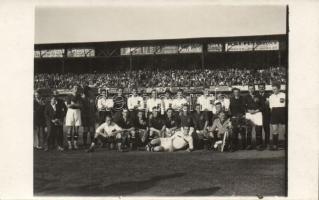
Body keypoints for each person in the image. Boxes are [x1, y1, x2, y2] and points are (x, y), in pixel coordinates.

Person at [245, 85, 263, 150]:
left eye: (252, 88)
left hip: (257, 113)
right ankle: (249, 145)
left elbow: (262, 106)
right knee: (249, 130)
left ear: (254, 89)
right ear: (248, 89)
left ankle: (258, 145)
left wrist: (256, 110)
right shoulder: (246, 97)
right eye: (250, 88)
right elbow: (243, 106)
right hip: (249, 114)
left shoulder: (259, 96)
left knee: (258, 130)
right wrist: (248, 110)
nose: (251, 89)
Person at [269, 82, 286, 150]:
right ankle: (275, 144)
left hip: (282, 112)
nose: (274, 90)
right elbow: (271, 107)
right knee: (275, 129)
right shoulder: (271, 96)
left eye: (275, 89)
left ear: (279, 89)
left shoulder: (284, 95)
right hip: (274, 112)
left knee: (285, 129)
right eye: (273, 89)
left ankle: (286, 144)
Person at [65, 85, 82, 150]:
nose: (76, 89)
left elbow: (80, 105)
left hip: (77, 112)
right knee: (70, 129)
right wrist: (75, 104)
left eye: (77, 88)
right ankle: (69, 144)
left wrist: (73, 104)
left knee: (76, 129)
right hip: (70, 112)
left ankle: (75, 144)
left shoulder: (79, 96)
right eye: (75, 88)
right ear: (72, 89)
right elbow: (68, 106)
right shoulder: (68, 96)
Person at [258, 83, 271, 148]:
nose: (261, 88)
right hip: (258, 115)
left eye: (262, 87)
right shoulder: (256, 96)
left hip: (266, 115)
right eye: (260, 87)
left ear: (264, 88)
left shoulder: (268, 95)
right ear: (258, 88)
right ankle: (260, 144)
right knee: (259, 130)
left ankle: (267, 143)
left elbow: (268, 105)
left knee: (267, 130)